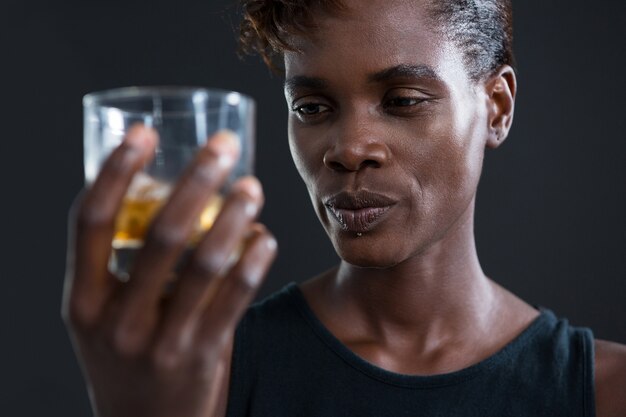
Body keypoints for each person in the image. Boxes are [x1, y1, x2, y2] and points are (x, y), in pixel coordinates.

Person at [62, 0, 626, 416]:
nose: (349, 148)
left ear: (496, 107)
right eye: (311, 107)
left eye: (402, 100)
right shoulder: (199, 374)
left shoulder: (603, 391)